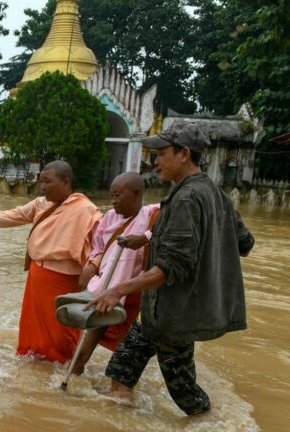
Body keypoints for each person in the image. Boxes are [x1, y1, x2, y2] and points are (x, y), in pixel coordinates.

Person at [88, 123, 255, 416]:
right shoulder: (215, 193)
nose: (155, 161)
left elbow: (172, 266)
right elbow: (244, 242)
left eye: (162, 153)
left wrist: (118, 289)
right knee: (120, 373)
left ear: (184, 154)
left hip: (173, 317)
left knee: (187, 397)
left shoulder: (186, 199)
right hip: (159, 311)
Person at [0, 161, 102, 363]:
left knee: (62, 332)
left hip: (66, 279)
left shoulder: (86, 210)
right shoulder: (40, 204)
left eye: (48, 181)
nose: (43, 187)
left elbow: (102, 243)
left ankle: (64, 366)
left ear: (66, 182)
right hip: (38, 273)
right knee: (33, 327)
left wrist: (94, 265)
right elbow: (12, 215)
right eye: (41, 182)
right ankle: (35, 364)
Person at [69, 172, 160, 375]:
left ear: (136, 194)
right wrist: (91, 266)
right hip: (108, 290)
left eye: (118, 195)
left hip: (137, 294)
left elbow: (169, 229)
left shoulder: (154, 214)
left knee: (128, 355)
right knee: (82, 352)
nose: (113, 201)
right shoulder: (110, 217)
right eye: (111, 195)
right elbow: (98, 248)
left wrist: (144, 238)